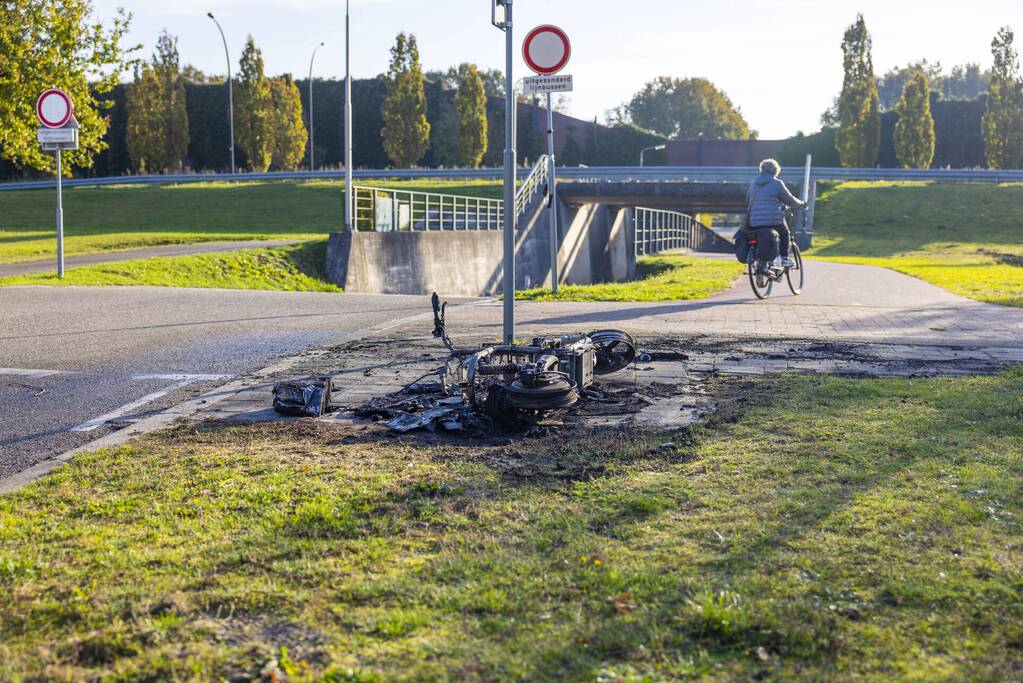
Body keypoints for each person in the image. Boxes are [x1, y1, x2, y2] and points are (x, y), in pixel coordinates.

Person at [746, 158, 805, 269]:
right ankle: (784, 258)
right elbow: (790, 200)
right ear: (775, 171)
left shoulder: (753, 184)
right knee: (784, 233)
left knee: (758, 236)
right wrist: (801, 204)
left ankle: (758, 260)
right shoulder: (777, 183)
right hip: (773, 220)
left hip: (753, 221)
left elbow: (747, 201)